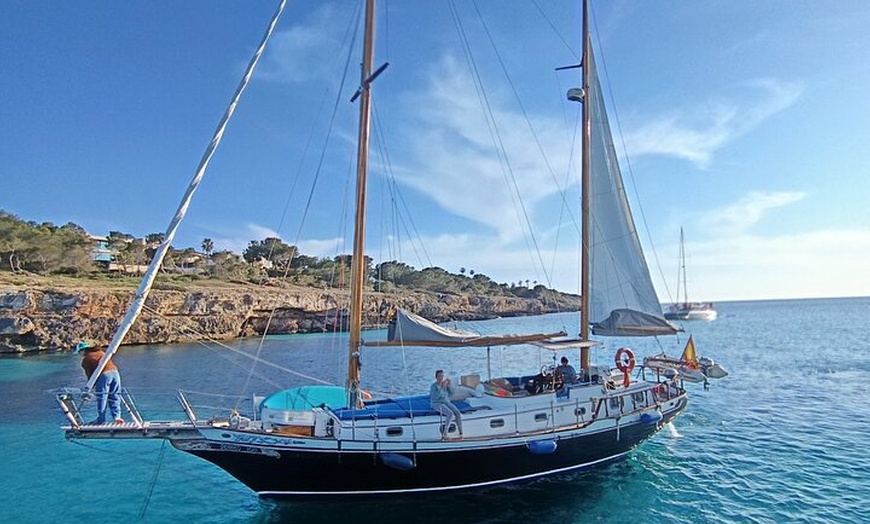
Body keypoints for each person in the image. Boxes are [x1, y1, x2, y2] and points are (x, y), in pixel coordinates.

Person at [76, 342, 124, 424]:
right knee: (115, 395)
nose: (80, 355)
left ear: (83, 351)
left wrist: (90, 387)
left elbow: (90, 375)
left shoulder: (86, 359)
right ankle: (117, 417)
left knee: (102, 397)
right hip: (115, 373)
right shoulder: (102, 353)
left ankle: (101, 419)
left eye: (80, 352)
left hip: (104, 375)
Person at [429, 369, 463, 439]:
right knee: (450, 413)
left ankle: (461, 432)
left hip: (446, 401)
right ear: (436, 377)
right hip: (437, 403)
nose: (441, 378)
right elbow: (435, 397)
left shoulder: (445, 384)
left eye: (442, 376)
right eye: (439, 376)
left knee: (457, 412)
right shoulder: (433, 386)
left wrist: (449, 385)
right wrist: (441, 387)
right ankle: (445, 433)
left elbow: (452, 393)